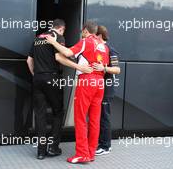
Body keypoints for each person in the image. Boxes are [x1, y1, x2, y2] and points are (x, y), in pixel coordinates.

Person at [26, 19, 92, 160]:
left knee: (40, 115)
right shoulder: (58, 37)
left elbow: (29, 60)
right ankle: (53, 147)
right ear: (61, 29)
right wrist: (80, 67)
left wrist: (36, 75)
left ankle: (41, 151)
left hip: (37, 79)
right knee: (58, 112)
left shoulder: (38, 38)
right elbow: (60, 58)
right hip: (53, 78)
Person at [46, 21, 110, 164]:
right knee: (94, 119)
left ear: (85, 31)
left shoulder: (85, 41)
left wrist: (53, 42)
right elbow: (103, 66)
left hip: (87, 80)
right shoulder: (103, 46)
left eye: (82, 31)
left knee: (80, 118)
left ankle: (82, 154)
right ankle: (91, 152)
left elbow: (67, 52)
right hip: (100, 82)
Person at [92, 26, 120, 156]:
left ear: (99, 36)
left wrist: (103, 68)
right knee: (97, 117)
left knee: (104, 117)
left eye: (94, 36)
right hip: (97, 87)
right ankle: (99, 143)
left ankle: (106, 146)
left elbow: (117, 70)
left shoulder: (110, 49)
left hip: (107, 88)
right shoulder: (98, 49)